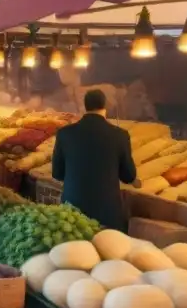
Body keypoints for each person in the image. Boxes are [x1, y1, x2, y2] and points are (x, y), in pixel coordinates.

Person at [52, 89, 138, 231]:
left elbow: (57, 173)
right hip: (108, 214)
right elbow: (129, 176)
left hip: (72, 213)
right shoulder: (120, 135)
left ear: (85, 106)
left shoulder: (64, 134)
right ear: (105, 107)